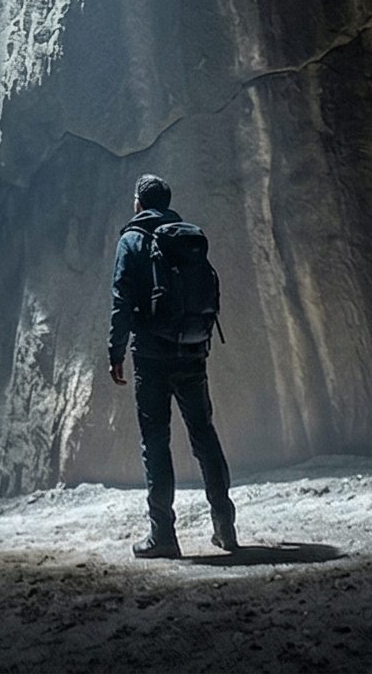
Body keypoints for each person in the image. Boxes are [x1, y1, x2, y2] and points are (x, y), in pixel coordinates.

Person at [108, 174, 237, 557]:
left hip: (151, 355)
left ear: (138, 203)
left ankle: (163, 535)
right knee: (204, 435)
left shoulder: (131, 240)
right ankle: (225, 527)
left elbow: (121, 301)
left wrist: (115, 353)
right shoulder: (188, 239)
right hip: (193, 350)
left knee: (156, 442)